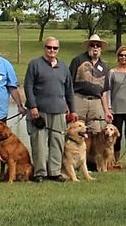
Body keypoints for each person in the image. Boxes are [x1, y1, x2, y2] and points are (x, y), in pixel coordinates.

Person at [24, 37, 76, 182]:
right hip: (39, 111)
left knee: (57, 142)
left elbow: (69, 90)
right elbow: (28, 86)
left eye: (55, 48)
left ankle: (54, 172)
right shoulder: (35, 64)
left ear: (58, 50)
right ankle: (40, 172)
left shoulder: (64, 67)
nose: (52, 50)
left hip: (58, 111)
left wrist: (73, 110)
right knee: (39, 143)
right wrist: (32, 106)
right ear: (44, 48)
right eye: (49, 47)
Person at [70, 35, 108, 133]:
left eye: (98, 45)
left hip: (96, 102)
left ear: (101, 48)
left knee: (96, 131)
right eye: (92, 45)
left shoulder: (104, 66)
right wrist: (68, 105)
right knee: (76, 130)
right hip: (79, 99)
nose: (95, 47)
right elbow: (69, 84)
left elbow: (104, 91)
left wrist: (106, 110)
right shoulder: (77, 60)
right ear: (88, 47)